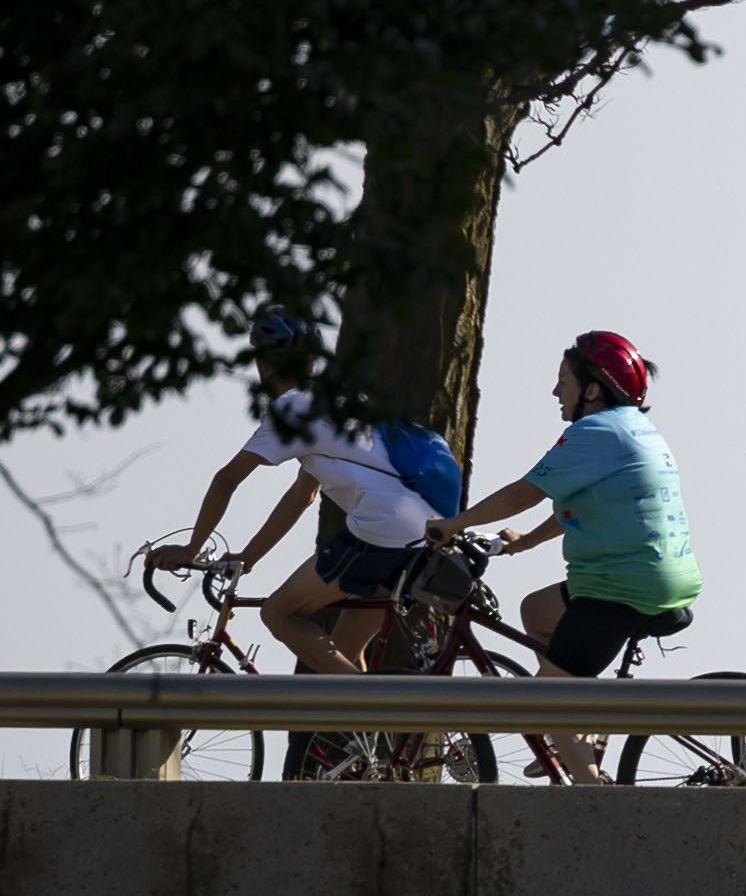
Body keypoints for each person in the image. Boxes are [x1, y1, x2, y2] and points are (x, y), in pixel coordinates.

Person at [425, 332, 701, 782]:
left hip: (621, 586)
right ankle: (577, 731)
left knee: (545, 696)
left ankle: (592, 796)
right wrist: (529, 541)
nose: (556, 392)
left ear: (592, 389)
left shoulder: (593, 431)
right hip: (654, 576)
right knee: (536, 610)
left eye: (563, 382)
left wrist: (451, 524)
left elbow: (524, 492)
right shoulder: (636, 428)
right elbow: (591, 500)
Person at [145, 307, 433, 677]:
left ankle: (369, 706)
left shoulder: (291, 409)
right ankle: (379, 730)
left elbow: (226, 480)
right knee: (343, 652)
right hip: (424, 527)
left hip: (382, 529)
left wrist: (191, 548)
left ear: (264, 362)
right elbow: (302, 496)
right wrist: (248, 557)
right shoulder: (337, 402)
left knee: (279, 613)